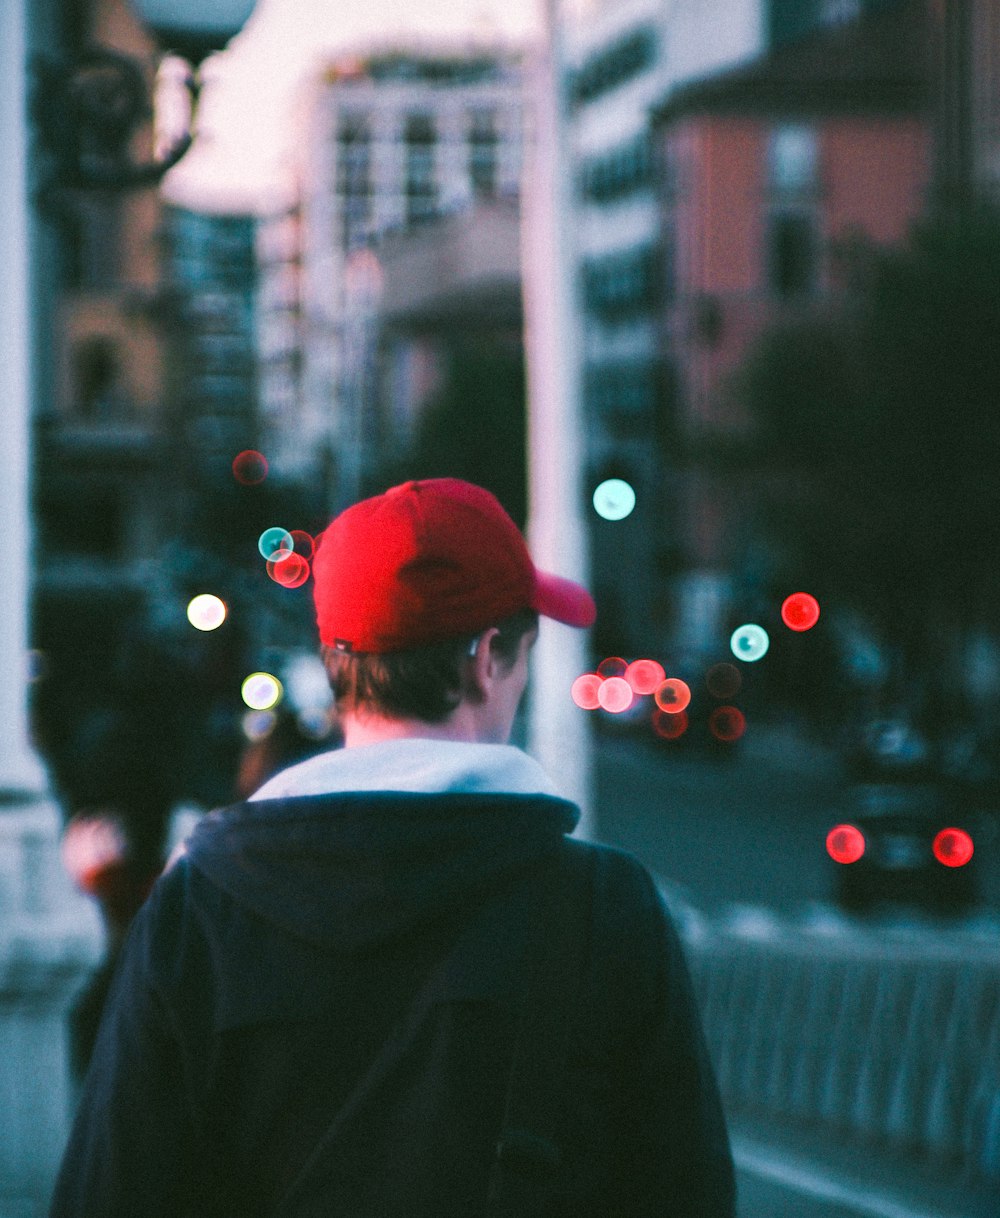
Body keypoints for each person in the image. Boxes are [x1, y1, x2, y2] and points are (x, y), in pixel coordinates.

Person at [50, 477, 735, 1217]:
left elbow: (111, 1189)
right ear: (486, 659)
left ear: (339, 662)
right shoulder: (605, 907)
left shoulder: (202, 902)